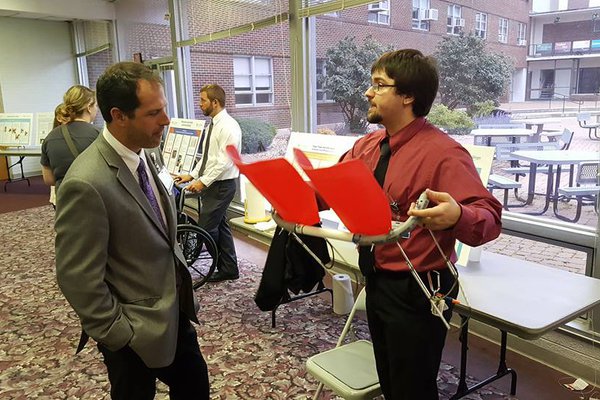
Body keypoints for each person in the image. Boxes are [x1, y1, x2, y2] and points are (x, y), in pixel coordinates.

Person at [339, 49, 502, 399]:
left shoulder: (443, 153)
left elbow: (489, 218)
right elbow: (332, 186)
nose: (368, 92)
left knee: (413, 385)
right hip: (376, 276)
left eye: (379, 85)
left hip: (419, 288)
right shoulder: (366, 146)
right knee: (389, 374)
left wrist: (459, 215)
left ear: (408, 96)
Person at [54, 62, 209, 399]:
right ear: (119, 115)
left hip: (174, 313)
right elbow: (77, 277)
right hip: (132, 331)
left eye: (164, 108)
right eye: (154, 112)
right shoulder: (86, 183)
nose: (166, 120)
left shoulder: (142, 155)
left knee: (196, 387)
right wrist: (117, 333)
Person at [174, 84, 242, 283]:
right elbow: (207, 158)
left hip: (222, 185)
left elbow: (224, 161)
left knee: (205, 228)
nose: (200, 103)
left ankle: (222, 266)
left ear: (215, 102)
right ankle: (229, 268)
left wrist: (202, 182)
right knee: (220, 227)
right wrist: (192, 175)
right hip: (213, 184)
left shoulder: (229, 126)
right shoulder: (212, 124)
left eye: (203, 100)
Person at [40, 86, 100, 194]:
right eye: (95, 105)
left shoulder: (50, 138)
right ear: (88, 107)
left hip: (64, 198)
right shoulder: (99, 134)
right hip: (94, 196)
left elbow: (48, 179)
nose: (97, 109)